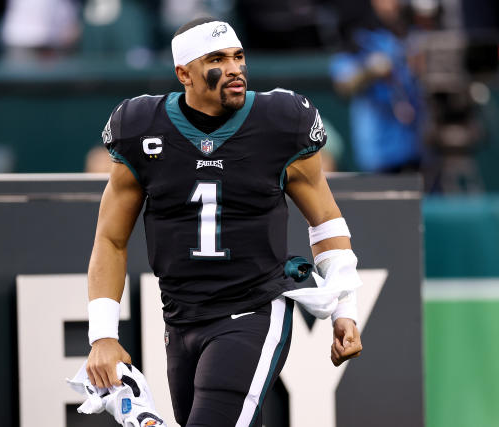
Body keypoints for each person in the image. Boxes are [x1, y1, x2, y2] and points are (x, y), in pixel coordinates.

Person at [85, 17, 363, 426]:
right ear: (184, 74)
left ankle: (141, 418)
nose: (234, 68)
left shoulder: (280, 120)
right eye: (216, 58)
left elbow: (325, 222)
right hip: (180, 317)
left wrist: (346, 308)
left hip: (253, 308)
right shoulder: (142, 128)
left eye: (238, 56)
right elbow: (110, 239)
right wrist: (102, 335)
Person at [330, 0, 424, 173]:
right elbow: (343, 85)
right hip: (380, 150)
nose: (394, 3)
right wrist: (370, 71)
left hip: (418, 145)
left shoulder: (414, 34)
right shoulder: (357, 38)